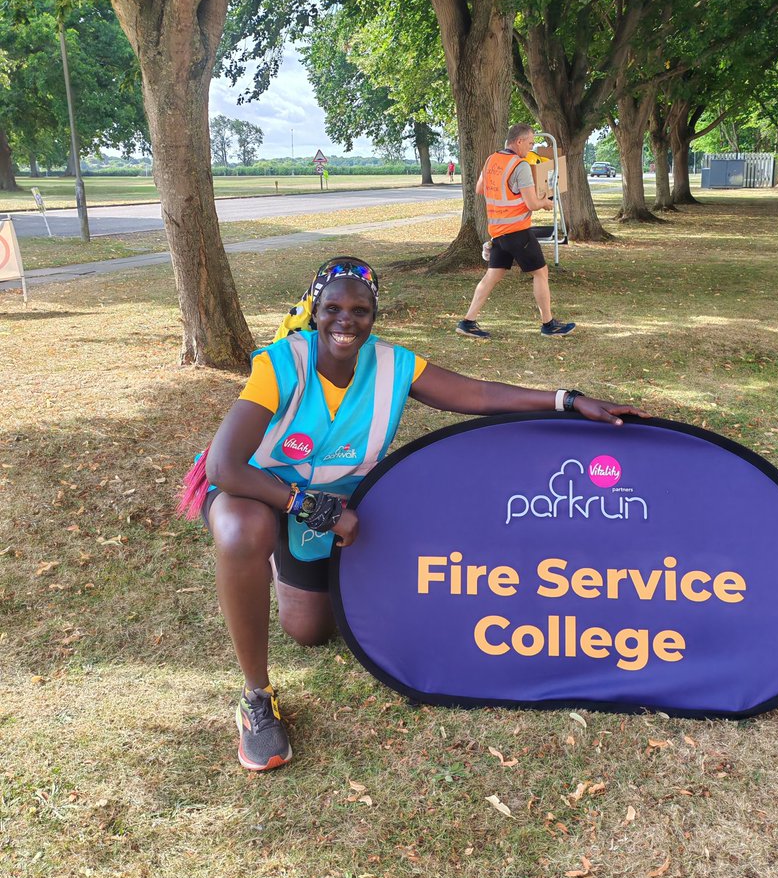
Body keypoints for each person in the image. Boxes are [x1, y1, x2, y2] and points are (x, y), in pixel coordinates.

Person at [179, 255, 649, 772]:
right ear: (314, 311)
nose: (345, 321)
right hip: (253, 489)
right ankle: (255, 699)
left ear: (375, 313)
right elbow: (225, 465)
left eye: (359, 310)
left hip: (323, 505)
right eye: (332, 308)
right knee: (248, 530)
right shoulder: (280, 364)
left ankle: (281, 557)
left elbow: (477, 394)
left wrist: (567, 399)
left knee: (311, 630)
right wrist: (309, 507)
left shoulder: (393, 364)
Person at [456, 123, 574, 340]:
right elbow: (531, 203)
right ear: (518, 142)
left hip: (498, 232)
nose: (530, 148)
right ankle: (548, 324)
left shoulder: (491, 160)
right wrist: (545, 202)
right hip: (518, 231)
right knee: (540, 273)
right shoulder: (520, 165)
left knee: (493, 275)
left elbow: (480, 189)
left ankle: (468, 322)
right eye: (530, 143)